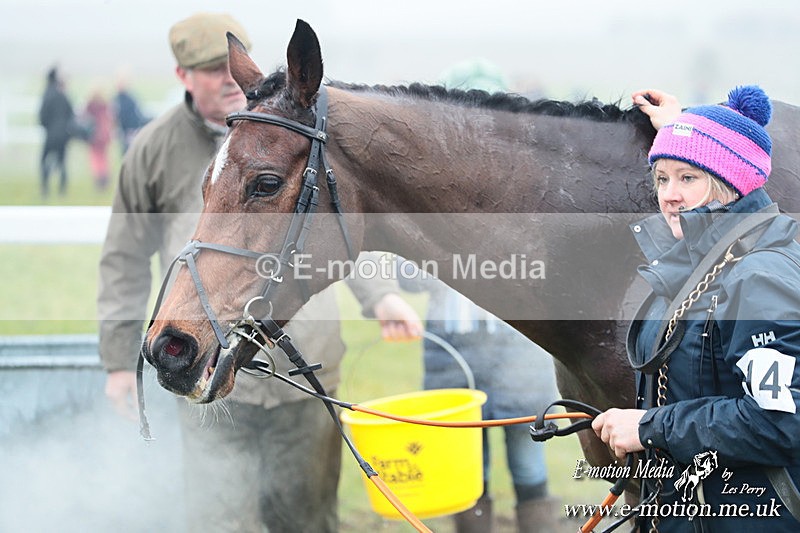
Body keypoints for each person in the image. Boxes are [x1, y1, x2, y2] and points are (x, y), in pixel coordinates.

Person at [97, 13, 421, 533]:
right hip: (207, 365)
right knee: (221, 521)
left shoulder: (296, 136)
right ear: (182, 75)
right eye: (209, 70)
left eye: (228, 65)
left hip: (303, 369)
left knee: (307, 520)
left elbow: (337, 214)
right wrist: (119, 359)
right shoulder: (153, 151)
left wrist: (379, 295)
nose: (227, 79)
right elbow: (123, 258)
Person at [592, 85, 800, 531]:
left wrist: (649, 428)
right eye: (662, 178)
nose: (669, 194)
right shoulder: (698, 258)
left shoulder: (758, 278)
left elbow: (778, 424)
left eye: (688, 178)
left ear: (730, 183)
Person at [399, 267, 561, 533]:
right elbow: (408, 279)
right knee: (469, 476)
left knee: (529, 469)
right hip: (451, 363)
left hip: (521, 361)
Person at [37, 66, 74, 198]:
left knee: (44, 161)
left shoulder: (47, 94)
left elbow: (42, 116)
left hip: (51, 134)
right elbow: (71, 114)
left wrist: (48, 127)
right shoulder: (62, 94)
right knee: (62, 162)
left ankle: (45, 189)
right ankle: (62, 191)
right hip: (63, 134)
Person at [83, 88, 113, 190]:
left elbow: (84, 118)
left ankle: (99, 178)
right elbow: (110, 119)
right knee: (103, 157)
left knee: (95, 157)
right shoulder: (105, 105)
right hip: (104, 135)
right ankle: (104, 177)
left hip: (94, 135)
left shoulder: (90, 106)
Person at [113, 73, 149, 154]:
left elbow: (137, 115)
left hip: (131, 130)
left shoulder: (130, 99)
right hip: (123, 131)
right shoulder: (116, 99)